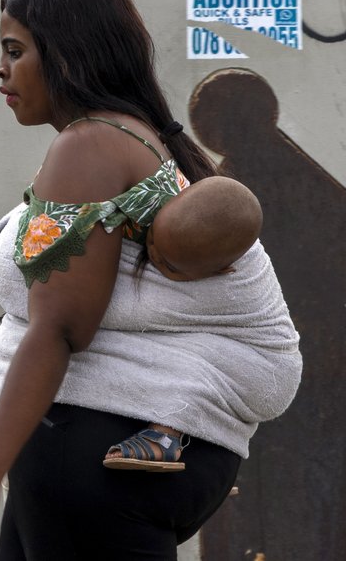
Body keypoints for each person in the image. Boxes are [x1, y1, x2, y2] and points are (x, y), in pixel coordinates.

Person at [0, 0, 301, 560]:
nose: (1, 68)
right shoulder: (135, 139)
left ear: (68, 56)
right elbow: (98, 321)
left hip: (89, 460)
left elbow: (62, 327)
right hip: (99, 453)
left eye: (15, 50)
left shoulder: (91, 146)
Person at [103, 176, 264, 472]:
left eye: (170, 266)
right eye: (152, 242)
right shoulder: (156, 203)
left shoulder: (225, 289)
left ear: (221, 271)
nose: (153, 257)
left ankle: (165, 438)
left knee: (192, 373)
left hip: (234, 361)